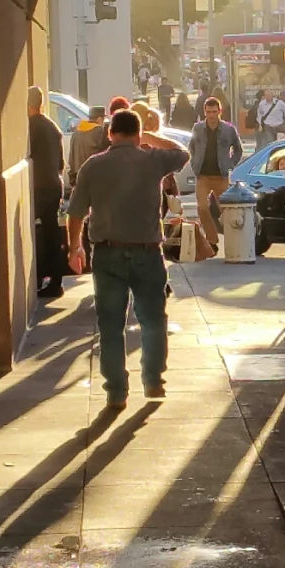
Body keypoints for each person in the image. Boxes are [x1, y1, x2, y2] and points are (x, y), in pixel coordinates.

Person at [66, 108, 188, 406]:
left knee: (110, 324)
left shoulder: (93, 166)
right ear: (137, 134)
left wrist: (74, 248)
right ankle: (153, 381)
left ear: (110, 134)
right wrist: (147, 136)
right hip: (147, 252)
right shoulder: (152, 160)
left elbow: (76, 212)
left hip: (107, 253)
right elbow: (182, 152)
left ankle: (116, 392)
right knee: (153, 320)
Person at [186, 95, 244, 260]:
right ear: (204, 112)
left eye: (214, 112)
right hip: (203, 175)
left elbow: (238, 149)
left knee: (226, 211)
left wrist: (230, 164)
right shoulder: (197, 128)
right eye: (208, 112)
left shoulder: (228, 129)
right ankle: (212, 240)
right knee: (202, 208)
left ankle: (234, 242)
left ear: (220, 111)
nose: (211, 115)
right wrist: (194, 164)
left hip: (221, 175)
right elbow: (192, 147)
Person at [28, 86, 66, 297]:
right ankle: (56, 281)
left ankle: (39, 276)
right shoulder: (52, 127)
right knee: (52, 234)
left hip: (39, 186)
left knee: (32, 233)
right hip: (54, 185)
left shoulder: (31, 127)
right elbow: (61, 162)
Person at [68, 94, 130, 190]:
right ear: (99, 119)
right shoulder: (100, 131)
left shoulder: (77, 132)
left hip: (78, 178)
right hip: (94, 179)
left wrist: (72, 179)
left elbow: (71, 159)